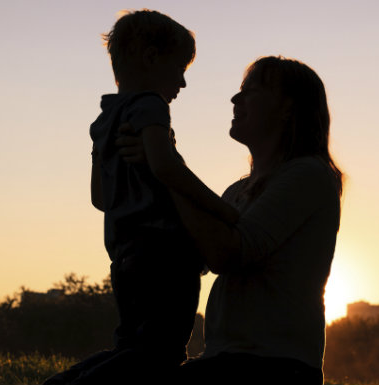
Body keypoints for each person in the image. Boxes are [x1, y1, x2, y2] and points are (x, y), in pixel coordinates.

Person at [117, 56, 343, 385]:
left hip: (273, 368)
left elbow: (229, 253)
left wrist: (168, 168)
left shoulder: (308, 175)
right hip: (226, 360)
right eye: (239, 91)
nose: (236, 100)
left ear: (287, 109)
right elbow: (197, 252)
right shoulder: (237, 191)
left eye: (251, 91)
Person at [42, 9, 238, 385]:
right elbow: (166, 168)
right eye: (179, 68)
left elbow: (101, 197)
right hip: (166, 254)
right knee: (161, 357)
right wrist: (223, 210)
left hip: (125, 256)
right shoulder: (151, 105)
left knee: (131, 347)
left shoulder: (104, 119)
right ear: (151, 58)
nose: (182, 83)